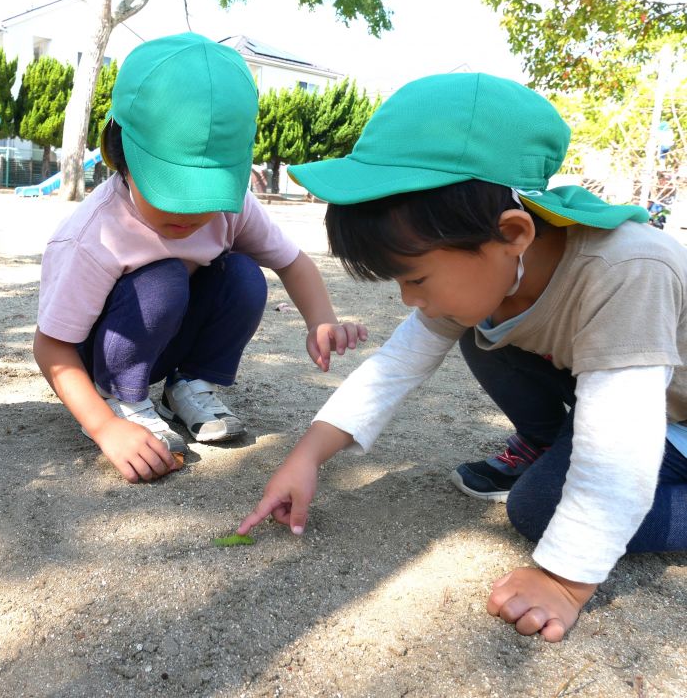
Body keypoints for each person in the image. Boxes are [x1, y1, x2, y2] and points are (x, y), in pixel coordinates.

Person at [238, 73, 687, 642]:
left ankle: (558, 464)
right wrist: (306, 457)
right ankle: (551, 442)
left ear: (514, 232)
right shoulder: (492, 271)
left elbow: (620, 447)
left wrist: (565, 581)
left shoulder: (627, 270)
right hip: (623, 397)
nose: (408, 298)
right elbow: (395, 367)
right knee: (480, 327)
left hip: (671, 418)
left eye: (416, 276)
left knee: (540, 508)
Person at [33, 33, 366, 484]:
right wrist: (106, 428)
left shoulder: (233, 209)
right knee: (163, 279)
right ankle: (123, 400)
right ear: (122, 154)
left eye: (207, 193)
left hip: (165, 337)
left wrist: (321, 320)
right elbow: (51, 346)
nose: (190, 212)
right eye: (171, 188)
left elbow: (292, 262)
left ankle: (187, 384)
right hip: (103, 355)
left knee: (245, 276)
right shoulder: (95, 235)